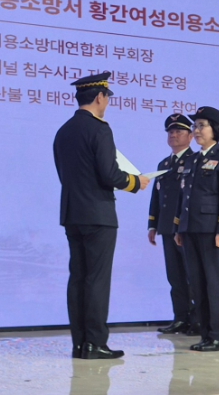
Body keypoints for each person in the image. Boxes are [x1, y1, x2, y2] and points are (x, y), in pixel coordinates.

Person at [53, 72, 150, 360]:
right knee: (96, 279)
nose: (107, 103)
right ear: (99, 97)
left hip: (72, 213)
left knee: (78, 279)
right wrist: (135, 182)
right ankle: (95, 342)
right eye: (107, 98)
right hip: (98, 214)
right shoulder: (100, 129)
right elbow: (109, 174)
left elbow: (63, 173)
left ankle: (80, 343)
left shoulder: (63, 130)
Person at [175, 106, 219, 352]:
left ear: (216, 130)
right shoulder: (192, 159)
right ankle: (206, 334)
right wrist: (180, 227)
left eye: (202, 126)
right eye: (195, 126)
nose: (197, 130)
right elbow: (184, 197)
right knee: (198, 284)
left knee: (214, 283)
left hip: (213, 231)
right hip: (191, 229)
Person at [148, 114, 197, 335]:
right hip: (167, 227)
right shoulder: (164, 164)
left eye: (179, 131)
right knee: (175, 277)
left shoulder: (195, 161)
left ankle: (197, 319)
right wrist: (153, 224)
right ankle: (180, 318)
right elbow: (157, 196)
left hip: (186, 228)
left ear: (190, 136)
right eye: (170, 132)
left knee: (192, 276)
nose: (173, 135)